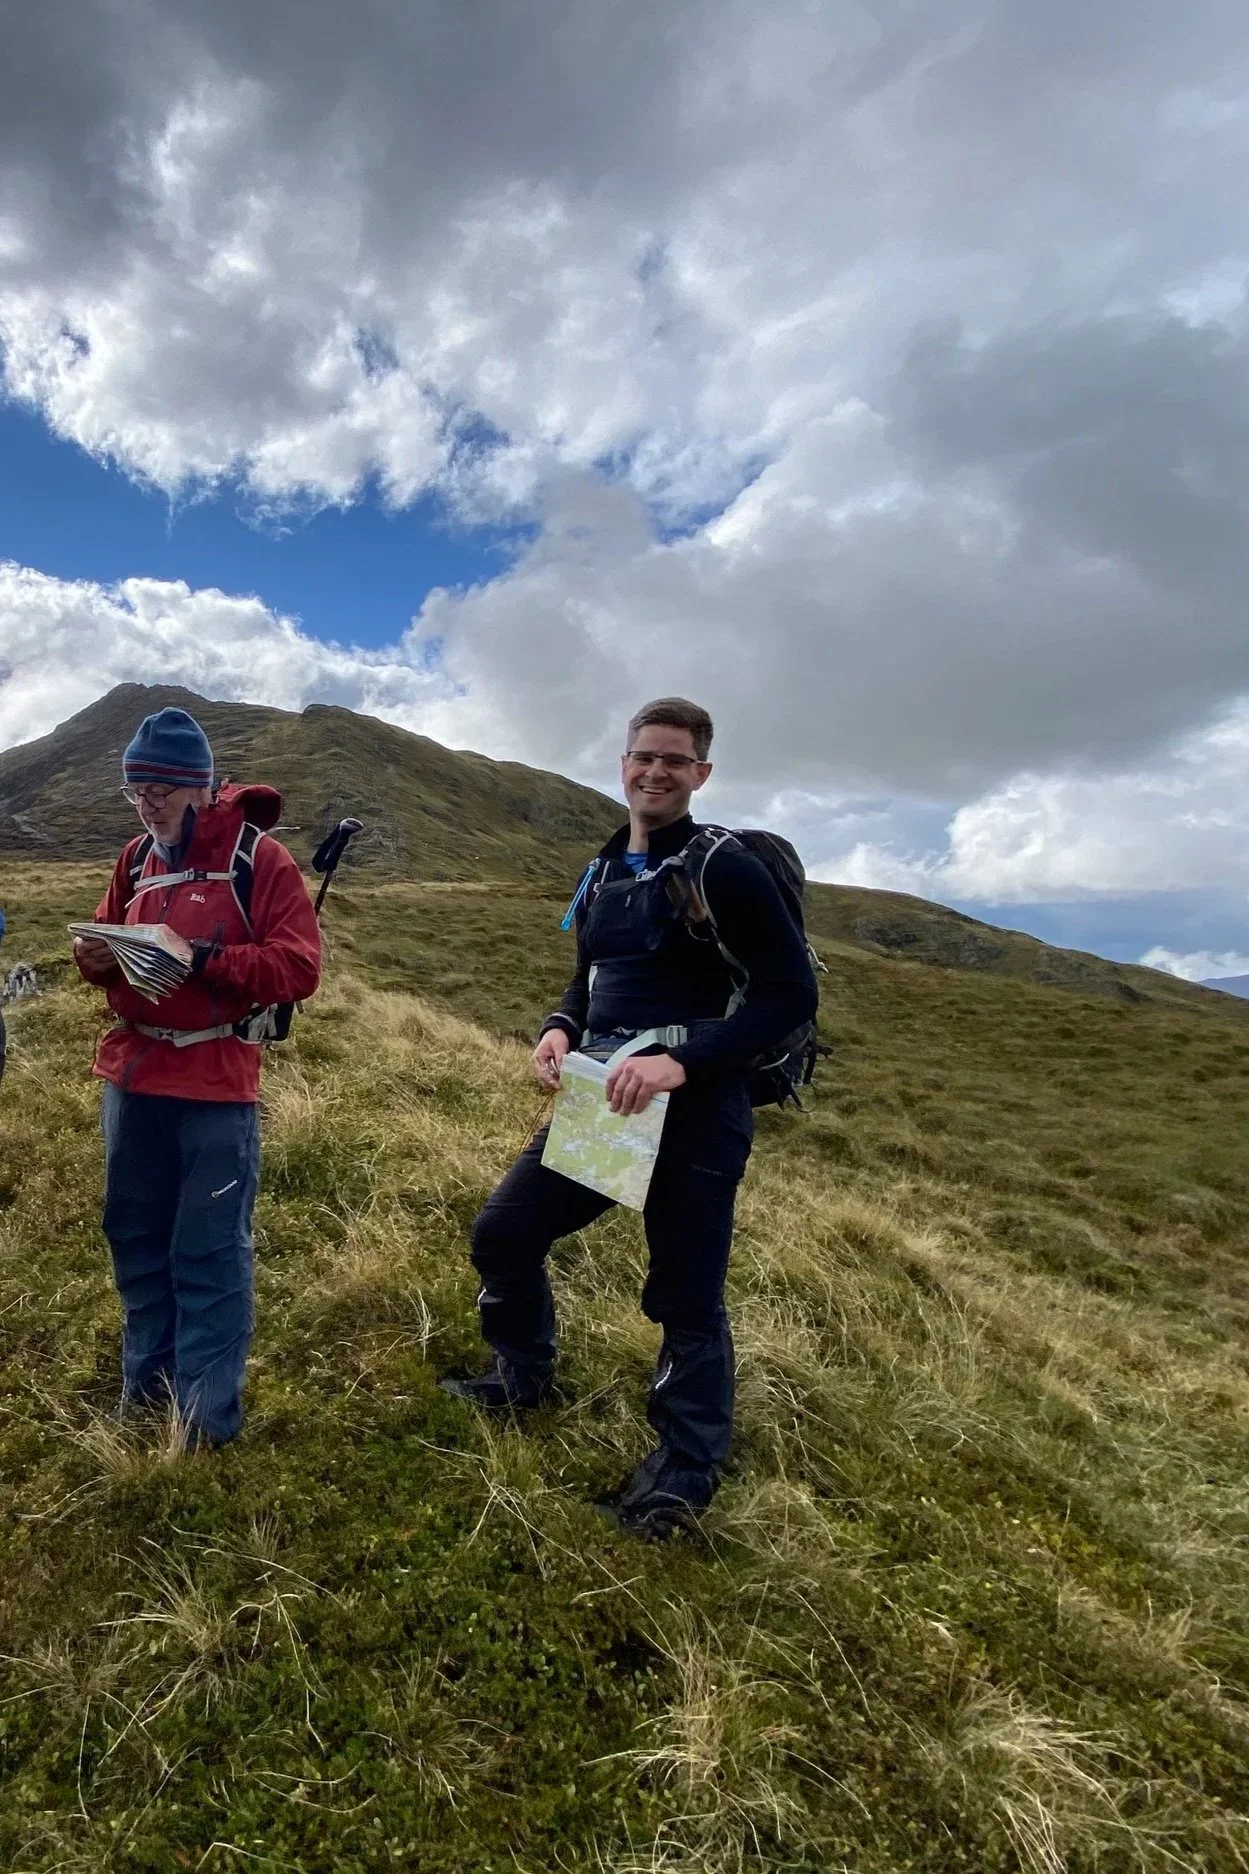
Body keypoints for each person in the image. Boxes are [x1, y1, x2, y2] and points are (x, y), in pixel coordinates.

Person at [440, 697, 818, 1539]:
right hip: (605, 1103)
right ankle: (522, 1373)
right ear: (622, 764)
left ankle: (681, 1477)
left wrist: (680, 1063)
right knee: (505, 1231)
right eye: (642, 757)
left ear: (701, 774)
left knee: (684, 1296)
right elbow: (590, 981)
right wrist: (557, 1028)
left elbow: (792, 996)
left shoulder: (724, 867)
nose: (654, 772)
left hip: (698, 1112)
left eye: (674, 762)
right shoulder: (606, 868)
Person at [73, 707, 322, 1447]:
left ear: (201, 787)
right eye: (134, 791)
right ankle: (143, 1396)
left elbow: (299, 969)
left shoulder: (259, 860)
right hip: (133, 1078)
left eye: (159, 789)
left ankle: (204, 1424)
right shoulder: (135, 861)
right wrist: (96, 959)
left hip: (216, 1085)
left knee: (208, 1251)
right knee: (135, 1237)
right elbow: (109, 932)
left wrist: (198, 957)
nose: (146, 805)